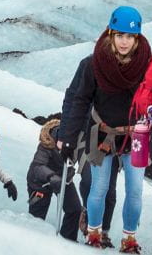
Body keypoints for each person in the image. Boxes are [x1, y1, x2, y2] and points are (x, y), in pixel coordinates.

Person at [59, 6, 152, 253]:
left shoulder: (146, 66)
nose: (125, 41)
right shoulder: (94, 64)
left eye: (130, 36)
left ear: (137, 38)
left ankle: (129, 240)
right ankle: (94, 235)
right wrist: (66, 138)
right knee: (98, 188)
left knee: (135, 191)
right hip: (101, 134)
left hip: (136, 136)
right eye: (120, 35)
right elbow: (79, 100)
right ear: (111, 33)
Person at [63, 51, 120, 245]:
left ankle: (103, 231)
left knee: (109, 189)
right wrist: (65, 135)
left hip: (114, 137)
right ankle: (89, 218)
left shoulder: (129, 67)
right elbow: (72, 98)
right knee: (89, 180)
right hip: (88, 133)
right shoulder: (89, 64)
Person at [26, 118, 81, 240]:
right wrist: (51, 177)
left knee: (75, 209)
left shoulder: (76, 140)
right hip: (40, 182)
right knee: (37, 217)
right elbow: (37, 166)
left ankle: (68, 242)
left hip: (64, 178)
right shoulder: (47, 143)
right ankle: (32, 243)